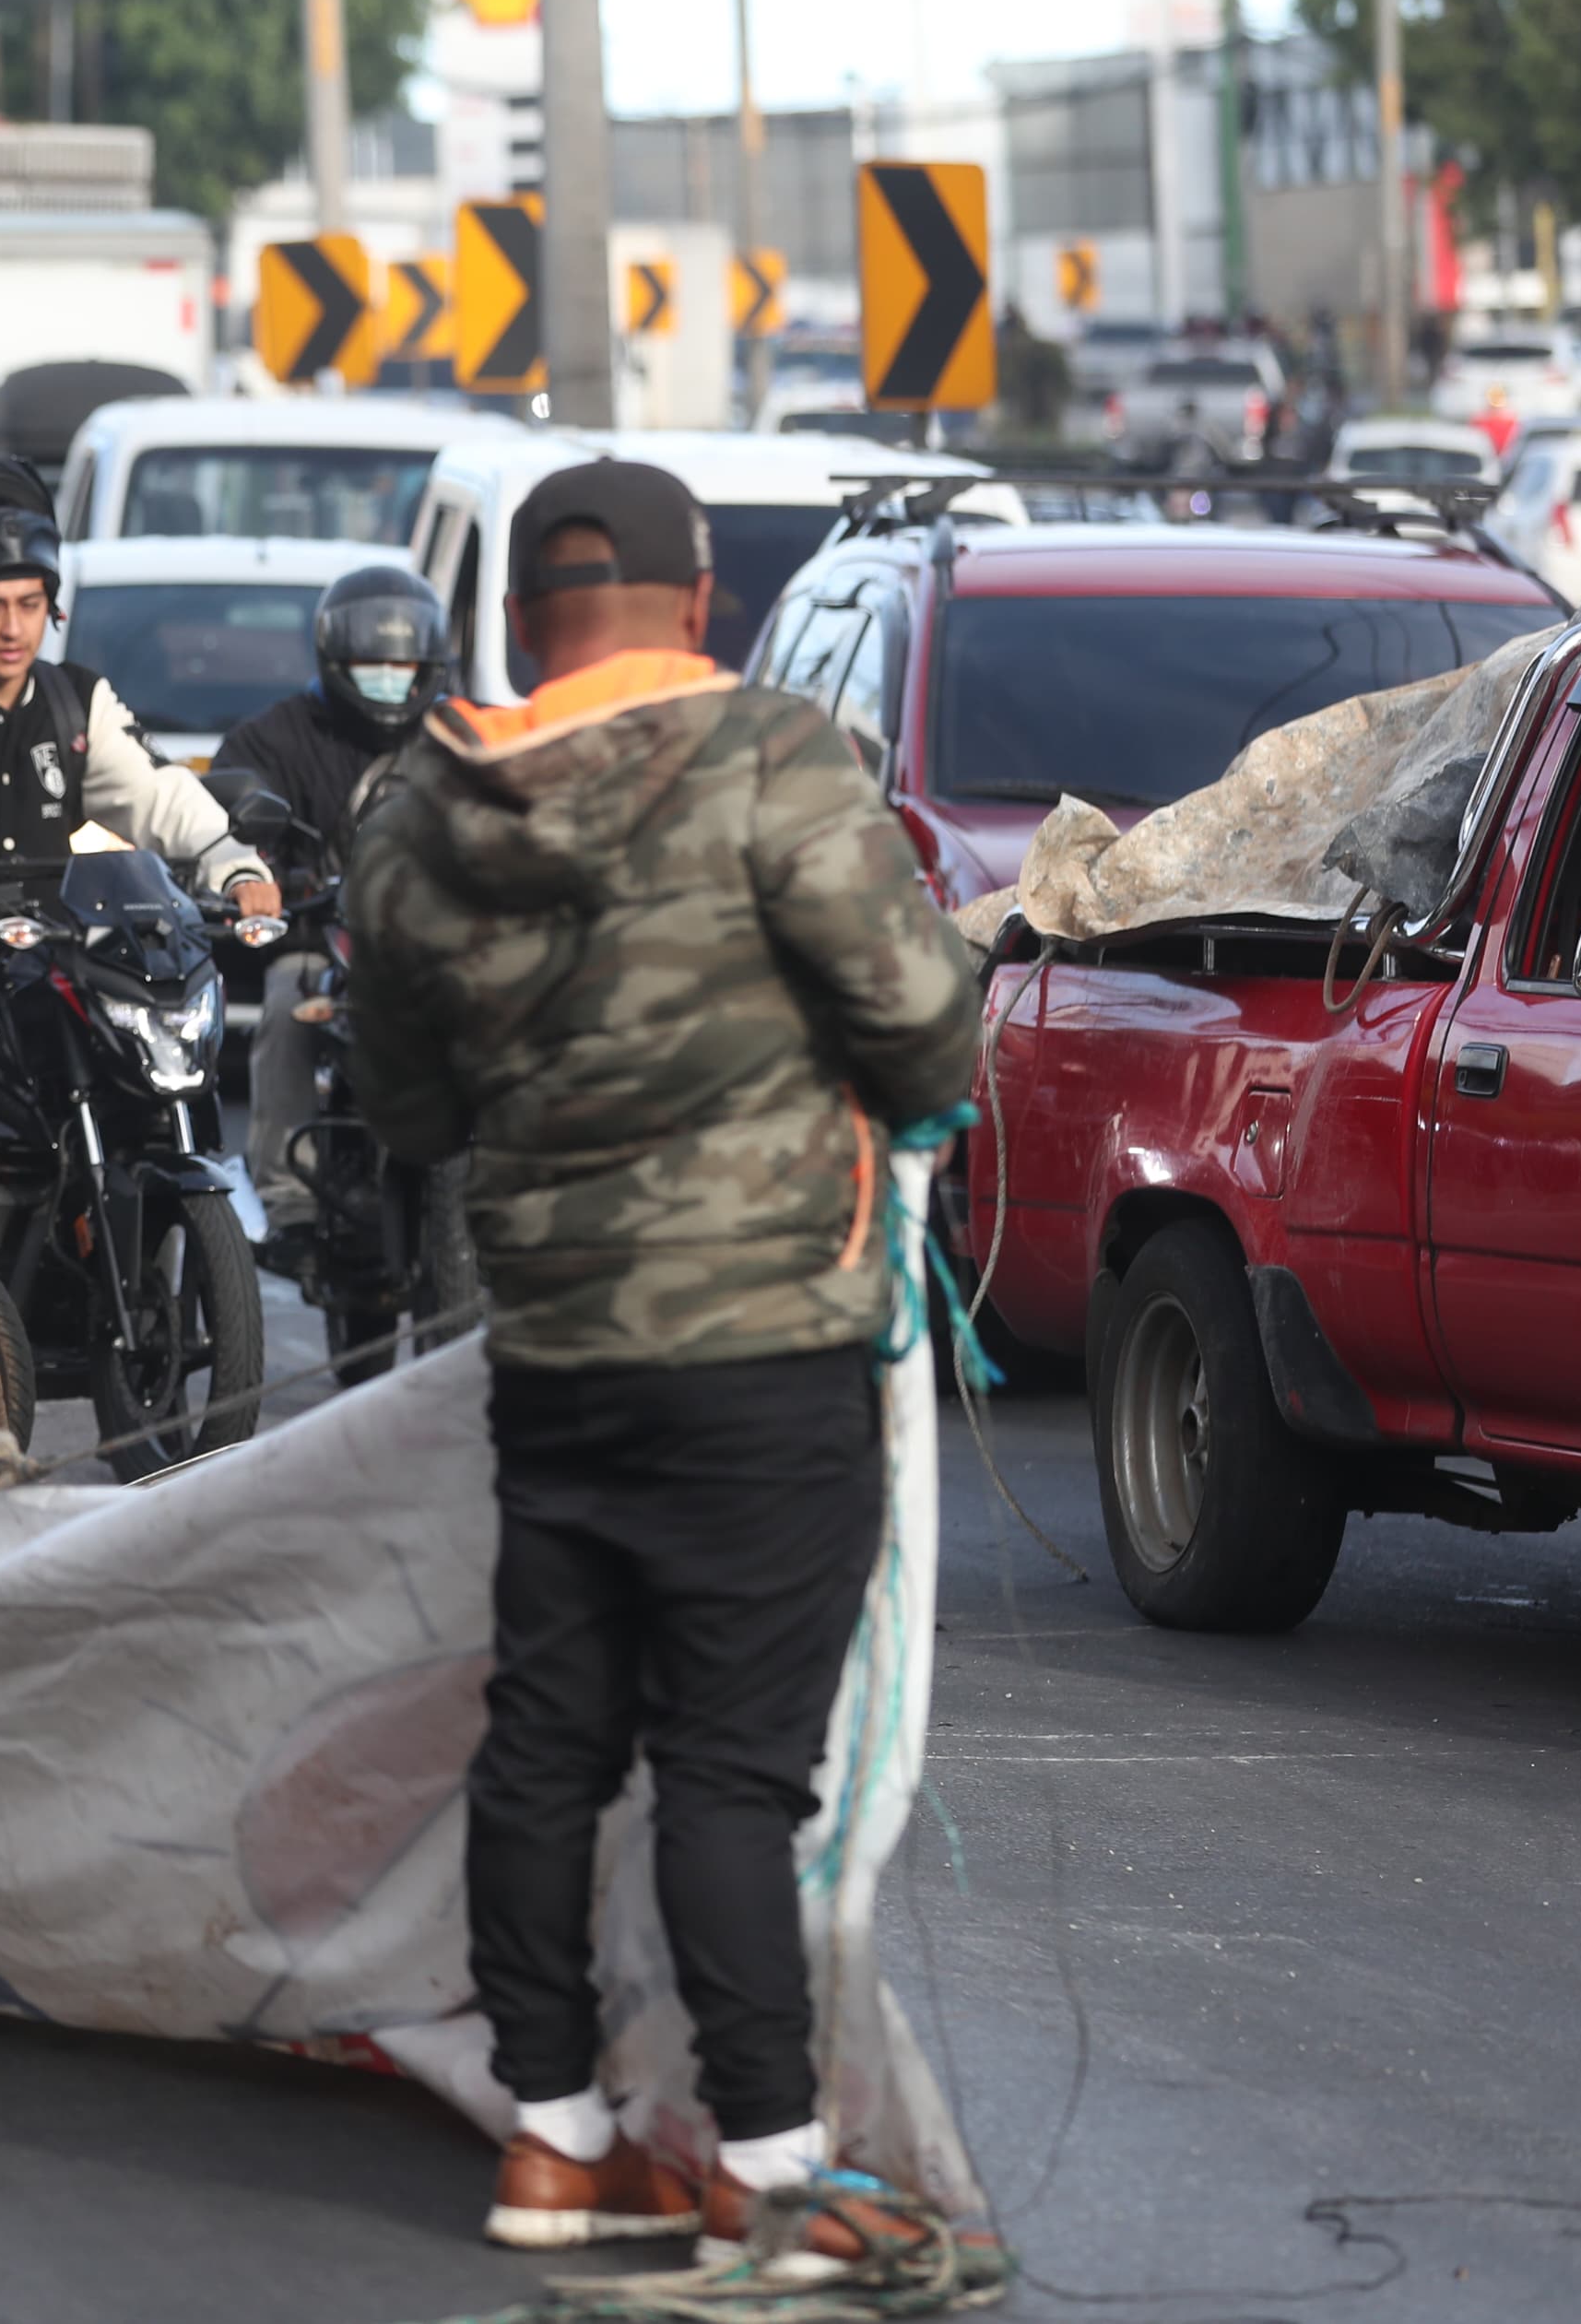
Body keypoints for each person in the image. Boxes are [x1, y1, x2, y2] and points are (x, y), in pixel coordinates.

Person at [346, 460, 981, 2267]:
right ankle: (767, 2166)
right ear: (699, 601)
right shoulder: (777, 760)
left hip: (555, 1347)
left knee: (545, 1735)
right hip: (764, 1348)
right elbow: (923, 1026)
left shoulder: (418, 814)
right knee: (727, 1767)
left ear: (523, 624)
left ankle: (553, 2138)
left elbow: (406, 1108)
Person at [0, 454, 281, 1184]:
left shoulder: (78, 701)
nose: (14, 629)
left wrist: (235, 864)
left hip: (46, 957)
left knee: (134, 1038)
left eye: (30, 604)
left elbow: (158, 792)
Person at [214, 562, 453, 1265]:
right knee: (289, 1008)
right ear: (334, 658)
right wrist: (272, 878)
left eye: (403, 662)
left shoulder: (460, 737)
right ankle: (287, 1199)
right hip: (327, 942)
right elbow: (229, 821)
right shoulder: (276, 738)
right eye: (371, 662)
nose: (389, 675)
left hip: (438, 951)